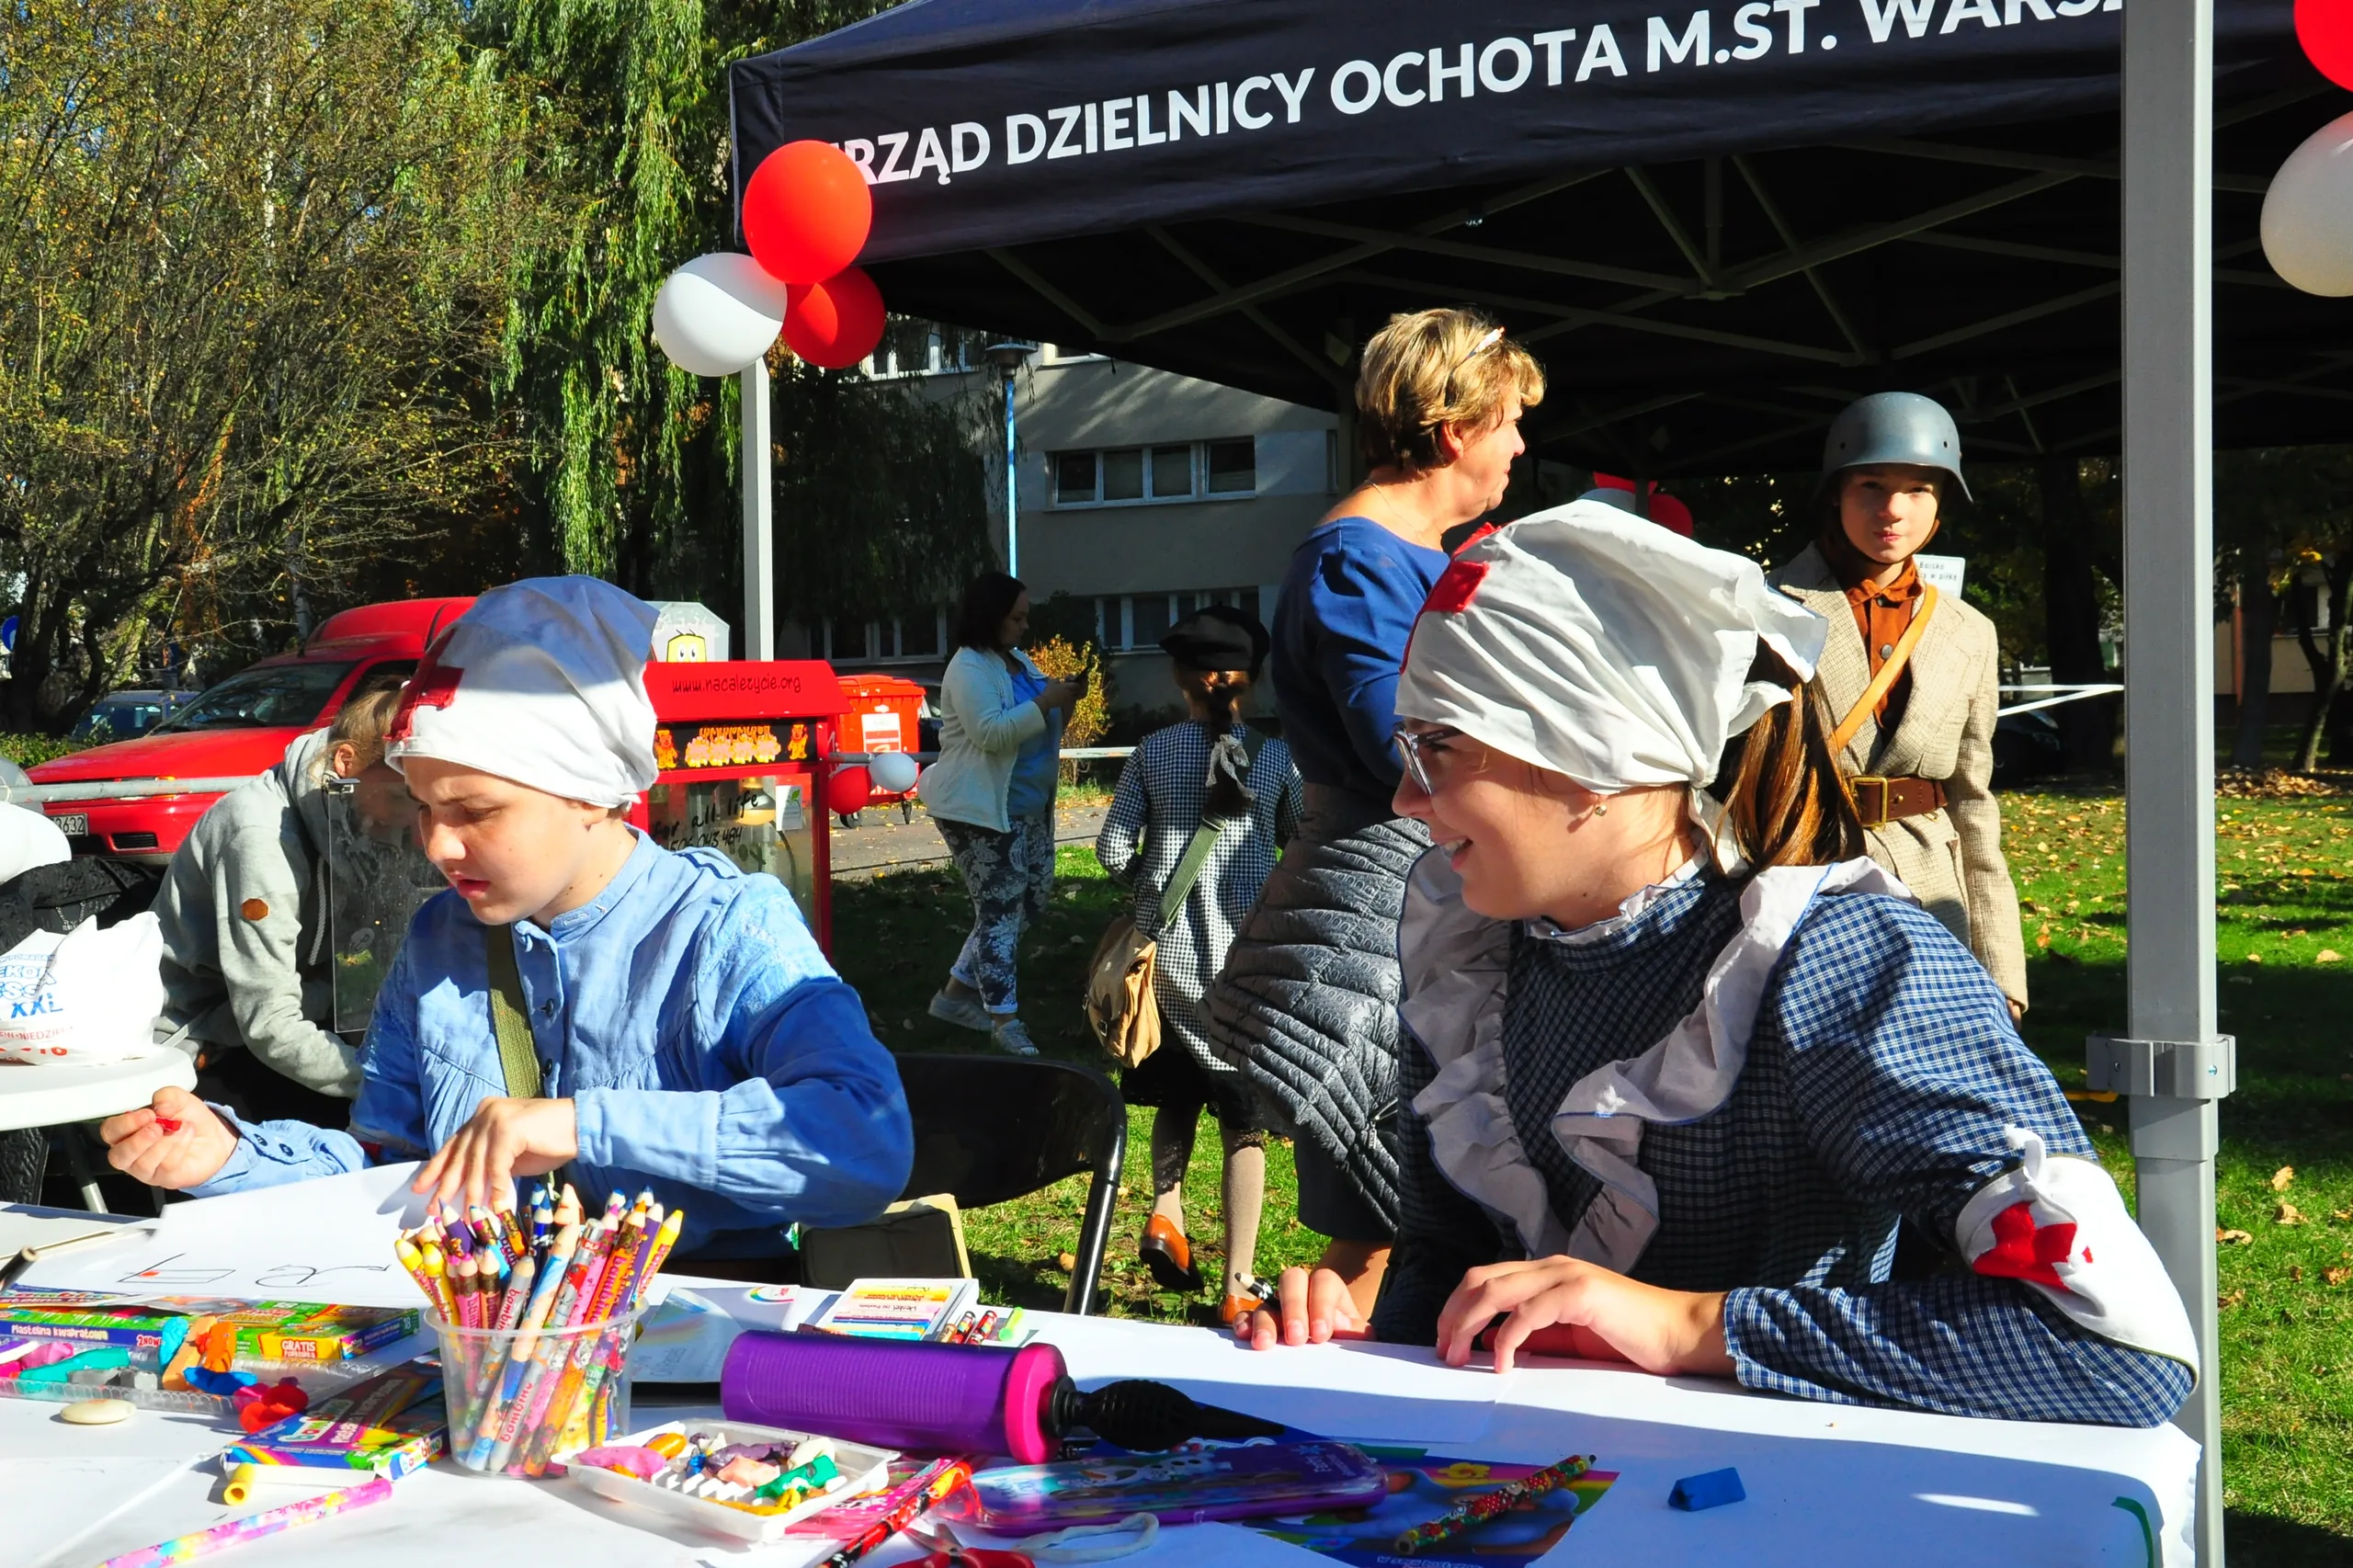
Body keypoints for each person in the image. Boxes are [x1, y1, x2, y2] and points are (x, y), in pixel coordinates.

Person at [1238, 506, 2198, 1429]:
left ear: (1594, 751)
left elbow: (2115, 1343)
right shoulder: (1471, 952)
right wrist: (1360, 1338)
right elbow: (1449, 1254)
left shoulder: (1832, 964)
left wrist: (1687, 1322)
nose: (1406, 797)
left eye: (1437, 746)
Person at [99, 578, 913, 1267]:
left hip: (699, 1354)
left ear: (594, 793)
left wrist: (586, 1126)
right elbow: (393, 1167)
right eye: (421, 808)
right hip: (495, 1350)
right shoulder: (438, 941)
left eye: (475, 811)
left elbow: (864, 1142)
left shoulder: (727, 929)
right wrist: (233, 1158)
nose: (438, 845)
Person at [1208, 307, 1543, 1323]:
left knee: (1417, 1223)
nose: (1521, 446)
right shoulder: (1359, 560)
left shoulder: (1409, 552)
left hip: (1421, 909)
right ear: (1453, 432)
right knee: (1379, 1234)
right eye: (1509, 423)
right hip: (1377, 925)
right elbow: (1403, 746)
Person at [1768, 392, 2028, 1017]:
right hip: (1795, 880)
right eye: (1872, 485)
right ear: (1836, 491)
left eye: (1918, 489)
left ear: (1941, 504)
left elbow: (1972, 799)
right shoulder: (1763, 606)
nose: (1892, 510)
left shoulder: (1969, 632)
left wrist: (2002, 969)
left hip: (1930, 894)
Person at [1095, 608, 1303, 1324]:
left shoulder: (1151, 753)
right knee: (1243, 1125)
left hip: (1165, 969)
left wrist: (1150, 892)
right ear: (1252, 682)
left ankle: (1165, 1212)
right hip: (1244, 969)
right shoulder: (1275, 759)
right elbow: (1300, 840)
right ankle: (1239, 1282)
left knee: (1176, 1092)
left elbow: (1113, 852)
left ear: (1182, 680)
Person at [152, 686, 406, 1129]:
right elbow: (268, 1025)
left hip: (311, 1012)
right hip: (205, 1042)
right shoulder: (259, 839)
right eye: (406, 798)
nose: (416, 821)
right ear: (344, 762)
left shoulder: (358, 807)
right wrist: (393, 1085)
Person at [918, 572, 1082, 1057]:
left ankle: (953, 998)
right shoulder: (968, 668)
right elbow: (991, 733)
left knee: (1028, 902)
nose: (1024, 626)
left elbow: (1041, 723)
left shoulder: (1015, 660)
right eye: (1017, 617)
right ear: (990, 617)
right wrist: (1044, 700)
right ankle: (1005, 1022)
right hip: (984, 812)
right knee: (998, 914)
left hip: (1028, 808)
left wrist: (1062, 702)